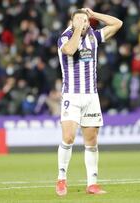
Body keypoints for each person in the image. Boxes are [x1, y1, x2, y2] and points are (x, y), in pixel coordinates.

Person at [55, 8, 122, 196]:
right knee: (68, 137)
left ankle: (92, 184)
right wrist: (76, 28)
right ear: (72, 22)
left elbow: (117, 24)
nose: (83, 23)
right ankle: (61, 179)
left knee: (91, 141)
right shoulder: (65, 37)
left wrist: (94, 16)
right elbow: (70, 50)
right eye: (79, 20)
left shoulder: (94, 36)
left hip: (91, 96)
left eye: (85, 21)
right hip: (72, 96)